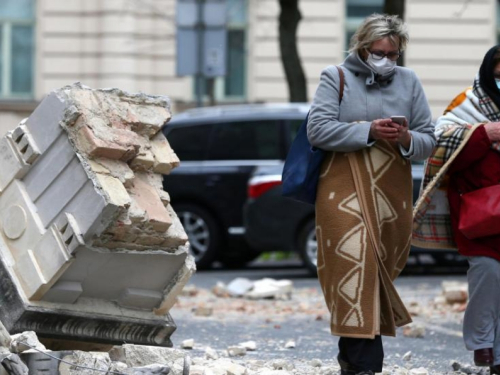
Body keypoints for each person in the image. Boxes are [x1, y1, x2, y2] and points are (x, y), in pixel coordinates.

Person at [307, 13, 436, 375]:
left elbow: (429, 139)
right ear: (362, 48)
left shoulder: (409, 82)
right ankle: (366, 364)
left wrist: (407, 138)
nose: (386, 59)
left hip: (390, 192)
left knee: (375, 270)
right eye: (378, 52)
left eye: (393, 54)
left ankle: (351, 357)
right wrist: (369, 130)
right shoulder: (337, 77)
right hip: (341, 184)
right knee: (354, 261)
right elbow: (318, 129)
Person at [413, 45, 500, 374]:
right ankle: (482, 344)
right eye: (498, 71)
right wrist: (483, 134)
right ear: (487, 71)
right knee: (487, 276)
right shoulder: (467, 104)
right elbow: (443, 150)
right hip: (478, 213)